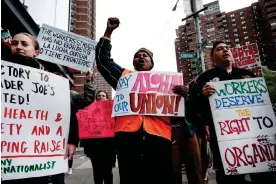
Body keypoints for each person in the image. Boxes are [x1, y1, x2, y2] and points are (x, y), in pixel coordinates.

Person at [96, 17, 189, 184]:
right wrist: (108, 32)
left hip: (159, 139)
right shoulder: (123, 77)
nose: (141, 57)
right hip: (128, 139)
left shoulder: (168, 84)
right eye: (137, 56)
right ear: (133, 62)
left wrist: (185, 95)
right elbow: (103, 61)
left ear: (151, 63)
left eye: (145, 55)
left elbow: (181, 112)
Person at [190, 40, 275, 184]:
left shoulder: (247, 75)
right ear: (212, 57)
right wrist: (202, 96)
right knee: (229, 176)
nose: (225, 50)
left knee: (263, 174)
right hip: (223, 138)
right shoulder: (204, 79)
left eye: (227, 48)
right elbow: (193, 107)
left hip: (255, 135)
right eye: (219, 49)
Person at [82, 90, 115, 184]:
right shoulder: (89, 111)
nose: (101, 97)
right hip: (94, 149)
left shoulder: (112, 112)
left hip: (108, 148)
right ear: (96, 98)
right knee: (97, 172)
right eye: (98, 95)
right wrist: (87, 148)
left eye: (103, 95)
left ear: (107, 98)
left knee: (108, 172)